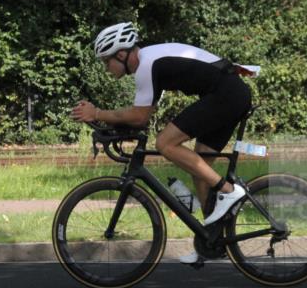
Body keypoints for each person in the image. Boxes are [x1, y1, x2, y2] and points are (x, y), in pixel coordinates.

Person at [70, 22, 252, 264]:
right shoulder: (150, 63)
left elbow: (139, 116)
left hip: (226, 95)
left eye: (106, 61)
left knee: (166, 143)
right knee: (200, 170)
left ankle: (229, 192)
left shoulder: (147, 65)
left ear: (122, 54)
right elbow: (142, 115)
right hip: (228, 94)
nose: (106, 68)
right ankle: (212, 241)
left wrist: (98, 113)